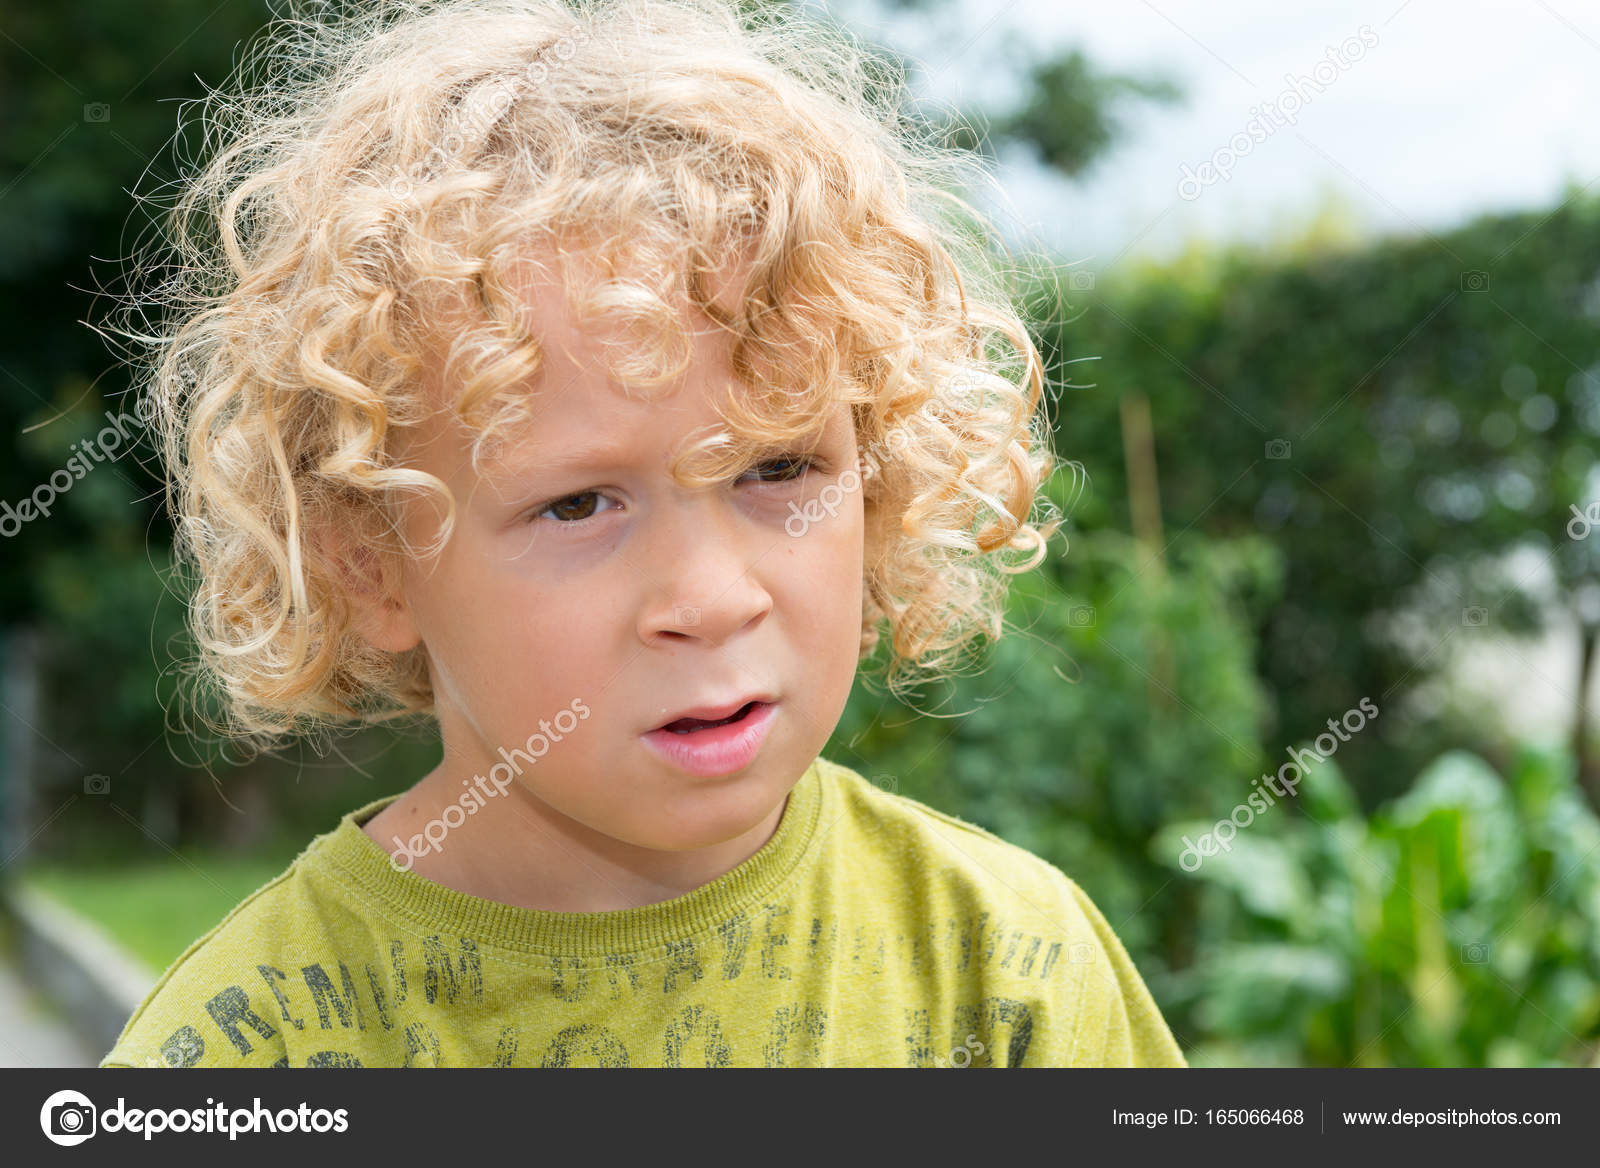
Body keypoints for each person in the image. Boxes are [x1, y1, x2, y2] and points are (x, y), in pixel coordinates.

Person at [99, 0, 1186, 1068]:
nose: (712, 598)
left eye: (778, 468)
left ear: (879, 476)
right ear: (367, 559)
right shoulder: (243, 1052)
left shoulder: (1009, 974)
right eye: (577, 504)